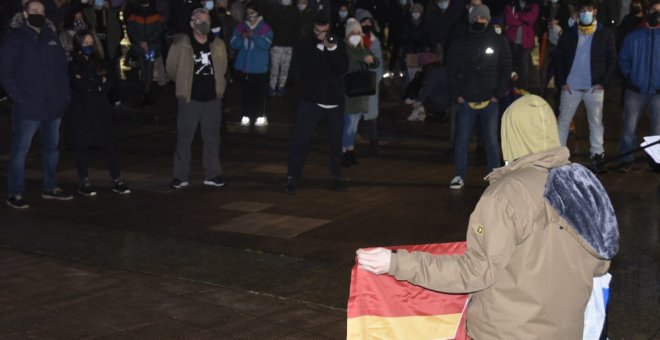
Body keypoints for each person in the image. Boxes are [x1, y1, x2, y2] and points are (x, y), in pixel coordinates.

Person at [357, 94, 620, 340]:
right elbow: (600, 263)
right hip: (566, 330)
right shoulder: (585, 184)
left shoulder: (505, 194)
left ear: (510, 135)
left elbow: (475, 271)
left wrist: (395, 263)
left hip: (508, 332)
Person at [0, 0, 73, 208]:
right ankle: (15, 193)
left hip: (53, 105)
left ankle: (50, 187)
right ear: (24, 14)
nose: (38, 14)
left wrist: (63, 95)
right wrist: (18, 97)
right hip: (28, 106)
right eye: (34, 11)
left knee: (52, 149)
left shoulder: (51, 37)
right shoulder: (15, 38)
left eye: (41, 11)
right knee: (21, 151)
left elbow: (61, 68)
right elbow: (5, 71)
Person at [446, 4, 512, 189]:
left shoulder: (499, 42)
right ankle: (459, 175)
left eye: (482, 18)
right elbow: (451, 69)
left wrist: (498, 95)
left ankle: (495, 176)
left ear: (488, 20)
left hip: (490, 101)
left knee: (492, 141)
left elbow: (506, 69)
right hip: (466, 101)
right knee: (462, 141)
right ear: (470, 19)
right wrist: (457, 95)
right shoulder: (460, 42)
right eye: (475, 18)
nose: (479, 21)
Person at [284, 16, 349, 194]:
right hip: (310, 100)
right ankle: (292, 177)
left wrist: (333, 48)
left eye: (325, 31)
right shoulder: (305, 44)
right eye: (318, 31)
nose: (321, 35)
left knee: (336, 143)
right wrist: (322, 50)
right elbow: (307, 67)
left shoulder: (338, 43)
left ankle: (336, 176)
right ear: (312, 30)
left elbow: (342, 67)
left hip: (334, 102)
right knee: (301, 141)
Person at [167, 8, 228, 189]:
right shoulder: (181, 44)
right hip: (189, 99)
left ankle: (213, 174)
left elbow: (222, 67)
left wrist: (219, 89)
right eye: (200, 19)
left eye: (207, 19)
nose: (204, 23)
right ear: (192, 23)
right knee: (185, 138)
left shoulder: (218, 44)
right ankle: (180, 176)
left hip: (212, 99)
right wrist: (182, 84)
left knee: (212, 139)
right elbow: (171, 69)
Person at [555, 0, 616, 174]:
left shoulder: (605, 33)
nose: (585, 13)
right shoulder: (570, 33)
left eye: (589, 10)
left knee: (595, 122)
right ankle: (559, 156)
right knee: (563, 122)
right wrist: (562, 82)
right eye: (582, 10)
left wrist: (603, 82)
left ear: (595, 11)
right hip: (571, 87)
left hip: (593, 88)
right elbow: (558, 58)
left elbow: (612, 59)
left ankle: (598, 155)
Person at [68, 30, 130, 196]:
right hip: (82, 110)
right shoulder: (74, 63)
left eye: (91, 42)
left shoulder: (101, 62)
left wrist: (93, 84)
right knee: (82, 146)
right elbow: (78, 84)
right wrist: (97, 82)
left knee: (108, 145)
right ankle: (84, 180)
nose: (89, 45)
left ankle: (117, 178)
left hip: (101, 109)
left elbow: (110, 82)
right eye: (85, 43)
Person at [616, 0, 659, 172]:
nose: (657, 14)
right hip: (635, 91)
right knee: (629, 127)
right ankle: (626, 159)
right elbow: (623, 59)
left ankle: (656, 161)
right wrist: (630, 76)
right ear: (648, 11)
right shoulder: (634, 35)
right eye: (655, 10)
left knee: (658, 130)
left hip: (658, 92)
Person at [342, 17, 379, 167]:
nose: (356, 35)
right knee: (349, 126)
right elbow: (347, 66)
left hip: (361, 94)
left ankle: (350, 150)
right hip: (350, 94)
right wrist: (364, 61)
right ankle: (343, 151)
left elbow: (375, 61)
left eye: (359, 32)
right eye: (353, 32)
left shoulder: (362, 48)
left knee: (354, 126)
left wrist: (372, 61)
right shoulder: (344, 49)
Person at [230, 2, 272, 127]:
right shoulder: (240, 27)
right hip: (245, 67)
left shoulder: (265, 28)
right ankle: (245, 115)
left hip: (259, 68)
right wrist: (242, 37)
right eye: (248, 13)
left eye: (252, 12)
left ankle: (259, 115)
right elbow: (233, 44)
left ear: (258, 13)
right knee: (245, 93)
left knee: (259, 94)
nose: (250, 15)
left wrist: (253, 36)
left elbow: (266, 45)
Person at [126, 0, 165, 106]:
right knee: (146, 70)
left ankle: (145, 93)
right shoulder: (134, 14)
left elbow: (159, 30)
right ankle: (146, 93)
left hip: (147, 48)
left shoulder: (155, 14)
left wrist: (144, 42)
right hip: (144, 48)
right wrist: (143, 43)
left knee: (147, 70)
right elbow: (131, 30)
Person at [355, 9, 383, 154]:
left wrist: (376, 80)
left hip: (370, 82)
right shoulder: (352, 40)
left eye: (368, 21)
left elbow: (379, 64)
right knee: (353, 116)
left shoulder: (374, 41)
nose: (366, 24)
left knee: (371, 115)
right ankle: (348, 143)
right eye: (363, 21)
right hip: (355, 81)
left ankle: (374, 140)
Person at [504, 0, 539, 91]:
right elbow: (509, 20)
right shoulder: (510, 4)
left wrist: (518, 16)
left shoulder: (533, 5)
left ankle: (524, 88)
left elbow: (531, 19)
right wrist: (523, 20)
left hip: (526, 40)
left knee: (524, 64)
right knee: (512, 64)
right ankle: (513, 87)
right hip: (512, 40)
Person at [267, 0, 299, 97]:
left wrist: (294, 43)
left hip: (288, 46)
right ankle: (272, 86)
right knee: (274, 68)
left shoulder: (294, 10)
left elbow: (296, 28)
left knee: (285, 68)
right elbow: (270, 26)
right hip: (276, 44)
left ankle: (281, 86)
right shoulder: (274, 9)